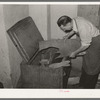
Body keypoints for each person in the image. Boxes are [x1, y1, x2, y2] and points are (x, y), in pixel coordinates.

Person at [57, 15, 100, 89]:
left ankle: (89, 88)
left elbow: (85, 45)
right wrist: (68, 35)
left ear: (68, 24)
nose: (64, 30)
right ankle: (83, 84)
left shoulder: (83, 27)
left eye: (64, 28)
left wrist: (75, 53)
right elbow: (74, 29)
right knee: (86, 63)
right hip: (89, 42)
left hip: (95, 44)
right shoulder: (74, 20)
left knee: (92, 67)